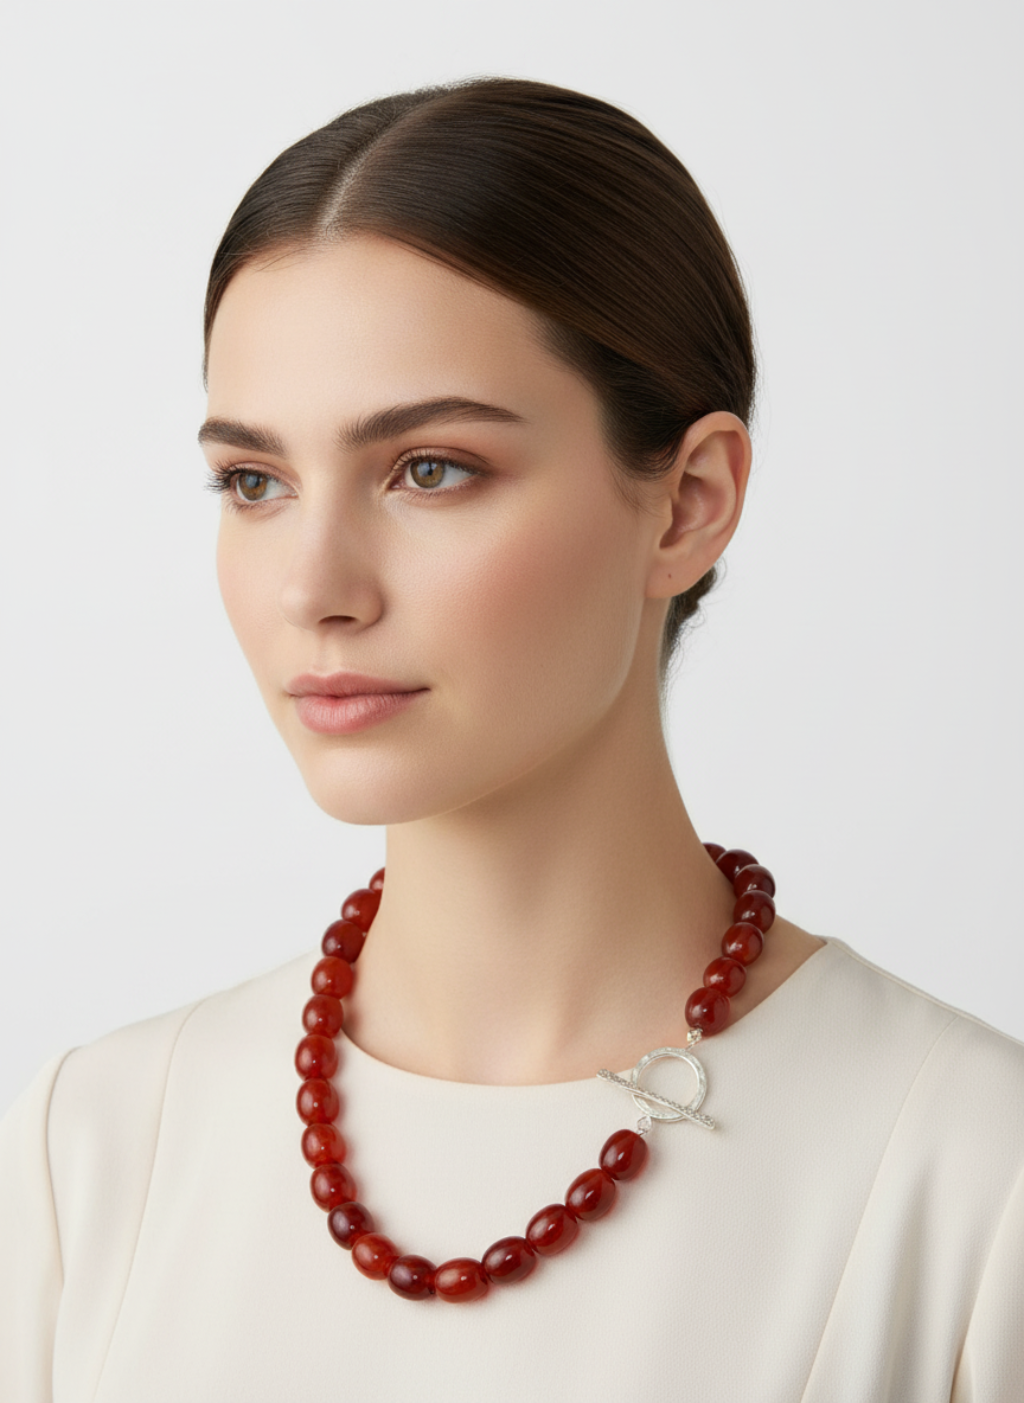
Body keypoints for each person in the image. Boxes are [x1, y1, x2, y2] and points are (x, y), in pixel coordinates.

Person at [0, 76, 1021, 1402]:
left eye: (429, 468)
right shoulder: (94, 1148)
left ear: (688, 506)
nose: (317, 585)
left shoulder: (969, 1175)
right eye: (256, 482)